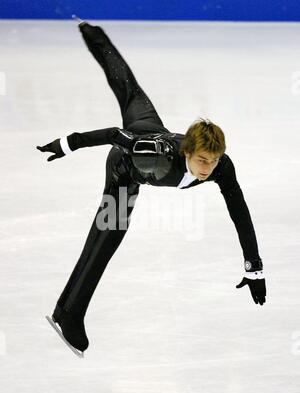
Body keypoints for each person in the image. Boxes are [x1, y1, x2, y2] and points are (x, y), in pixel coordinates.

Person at [38, 20, 266, 356]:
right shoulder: (155, 157)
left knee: (127, 85)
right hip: (125, 169)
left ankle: (92, 33)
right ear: (187, 152)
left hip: (148, 123)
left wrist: (254, 265)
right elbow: (116, 136)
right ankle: (69, 315)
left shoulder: (221, 167)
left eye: (214, 161)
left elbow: (239, 212)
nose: (210, 168)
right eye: (203, 160)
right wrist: (67, 143)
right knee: (108, 236)